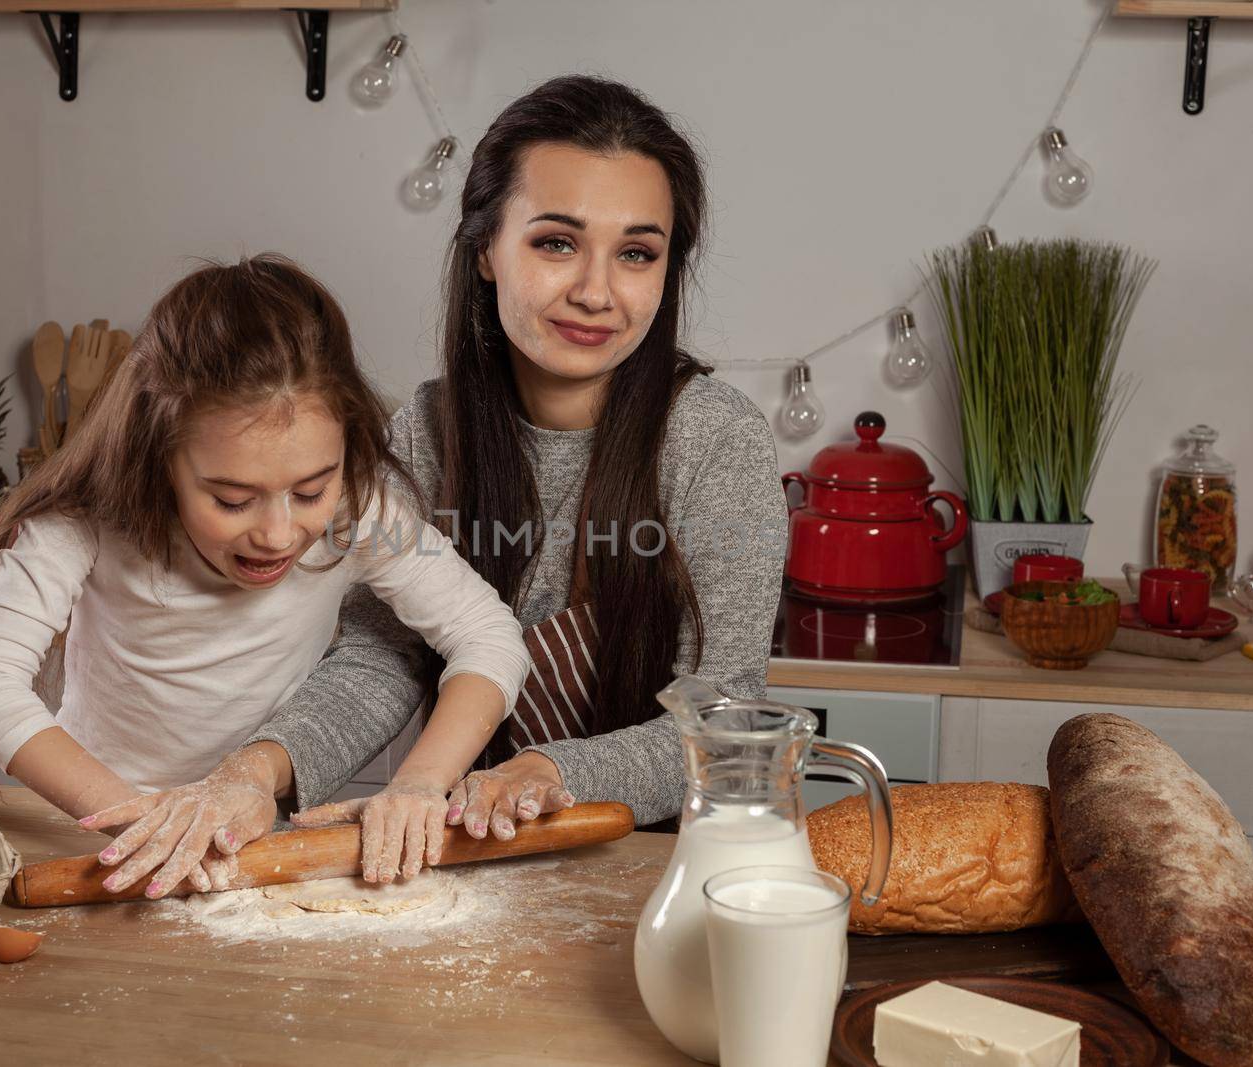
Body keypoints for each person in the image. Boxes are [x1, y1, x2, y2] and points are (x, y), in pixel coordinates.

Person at [115, 74, 788, 885]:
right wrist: (257, 771)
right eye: (556, 242)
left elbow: (723, 715)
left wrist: (547, 773)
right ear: (485, 251)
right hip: (471, 866)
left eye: (636, 253)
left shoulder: (717, 442)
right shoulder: (426, 433)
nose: (596, 291)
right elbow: (381, 660)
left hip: (664, 875)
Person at [0, 255, 530, 896]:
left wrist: (421, 781)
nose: (278, 534)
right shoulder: (87, 519)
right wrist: (142, 824)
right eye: (230, 501)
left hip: (247, 847)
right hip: (92, 839)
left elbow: (487, 635)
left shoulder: (362, 509)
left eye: (311, 490)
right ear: (160, 455)